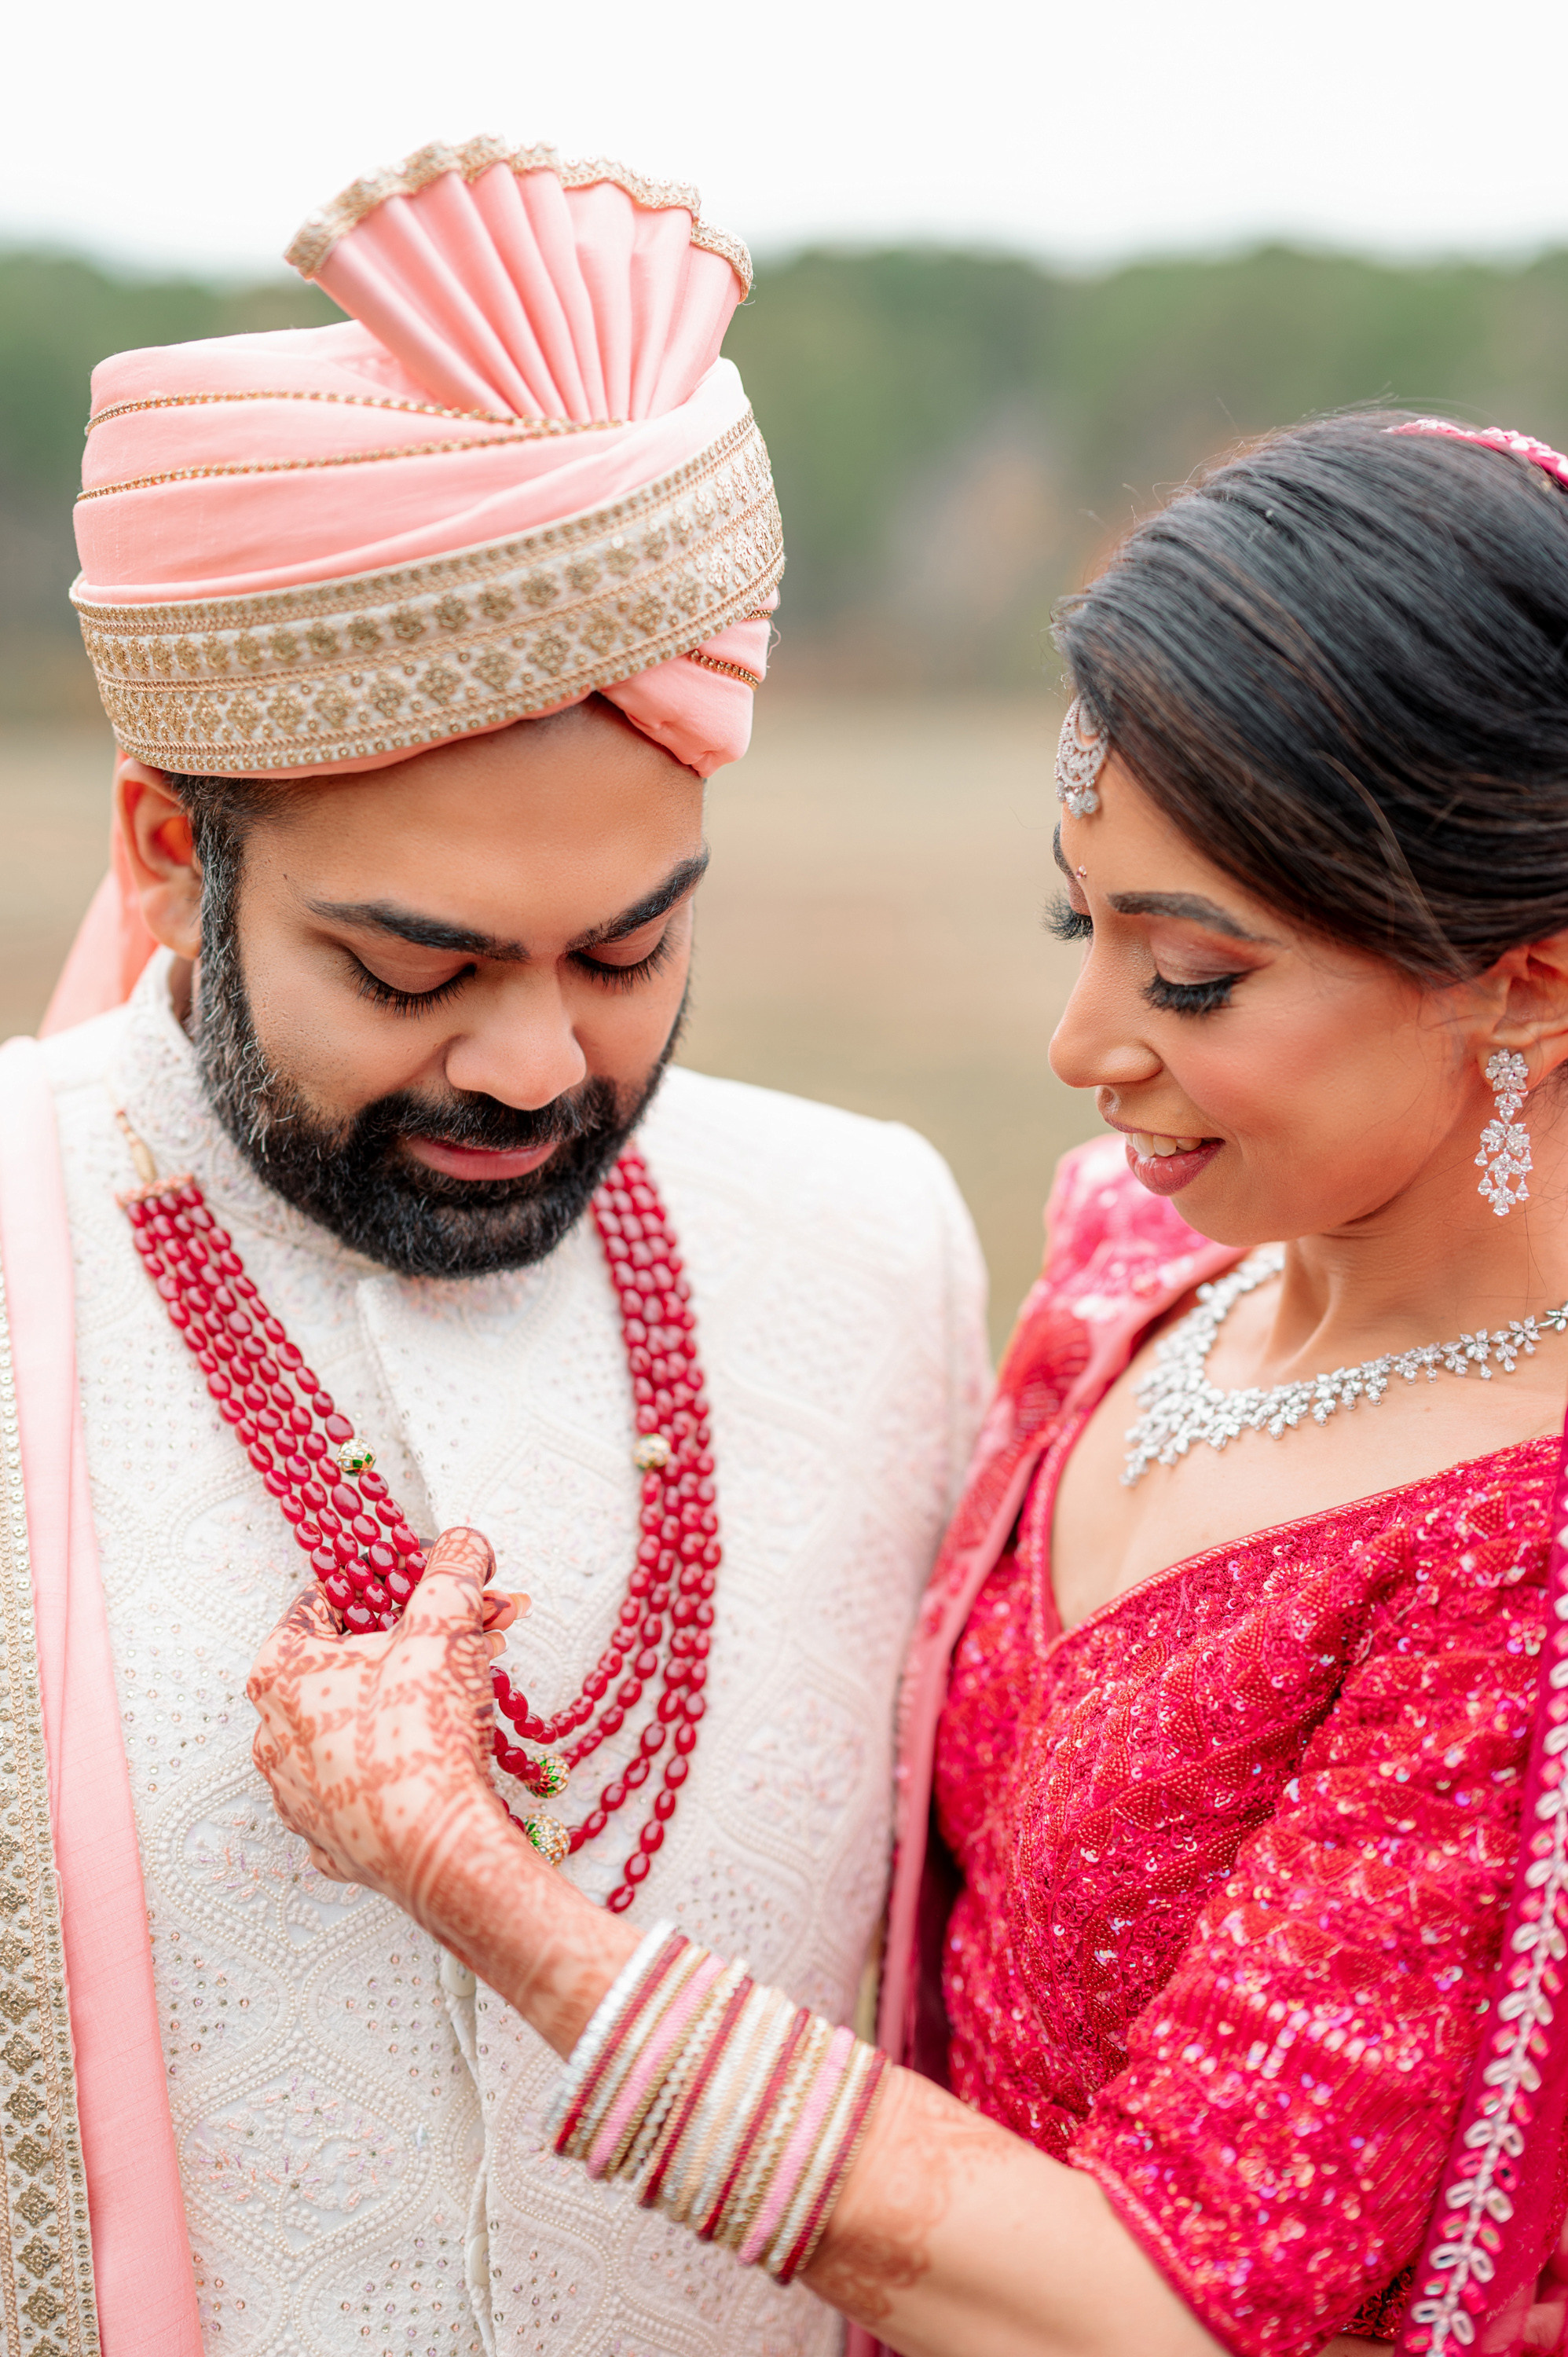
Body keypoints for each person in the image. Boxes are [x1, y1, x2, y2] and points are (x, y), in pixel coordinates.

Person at [249, 411, 1568, 2357]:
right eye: (1078, 923)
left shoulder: (1515, 1562)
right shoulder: (1132, 1279)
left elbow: (1154, 2309)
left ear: (1523, 983)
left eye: (1188, 978)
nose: (1078, 1042)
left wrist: (486, 1893)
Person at [0, 140, 988, 2357]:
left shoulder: (875, 1250)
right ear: (168, 853)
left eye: (631, 948)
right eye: (412, 966)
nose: (537, 1063)